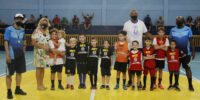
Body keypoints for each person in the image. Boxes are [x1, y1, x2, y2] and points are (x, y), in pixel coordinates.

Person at [123, 10, 153, 87]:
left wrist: (154, 39)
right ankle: (130, 81)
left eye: (135, 14)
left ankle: (139, 82)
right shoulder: (126, 24)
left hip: (139, 48)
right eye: (133, 14)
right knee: (130, 65)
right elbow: (123, 36)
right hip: (130, 48)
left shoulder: (141, 23)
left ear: (137, 15)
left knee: (139, 64)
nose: (134, 15)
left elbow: (146, 33)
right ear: (130, 15)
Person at [169, 16, 195, 91]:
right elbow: (170, 41)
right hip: (175, 54)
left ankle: (190, 85)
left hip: (186, 54)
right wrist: (170, 52)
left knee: (187, 68)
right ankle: (176, 83)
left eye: (180, 20)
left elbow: (191, 41)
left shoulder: (188, 29)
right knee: (176, 69)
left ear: (183, 21)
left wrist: (193, 52)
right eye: (177, 20)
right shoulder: (172, 30)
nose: (178, 21)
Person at [4, 13, 27, 99]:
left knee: (19, 73)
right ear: (14, 19)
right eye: (17, 19)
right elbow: (6, 42)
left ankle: (17, 89)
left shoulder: (22, 30)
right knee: (9, 75)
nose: (19, 20)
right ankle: (9, 91)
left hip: (20, 56)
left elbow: (24, 41)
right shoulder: (8, 29)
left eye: (20, 19)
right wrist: (8, 55)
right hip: (11, 56)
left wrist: (24, 49)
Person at [31, 18, 51, 90]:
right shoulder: (36, 31)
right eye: (43, 21)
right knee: (38, 68)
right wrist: (43, 47)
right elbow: (33, 43)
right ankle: (38, 85)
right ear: (40, 22)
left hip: (45, 53)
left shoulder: (47, 31)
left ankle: (41, 84)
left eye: (46, 22)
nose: (45, 23)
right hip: (38, 52)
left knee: (43, 68)